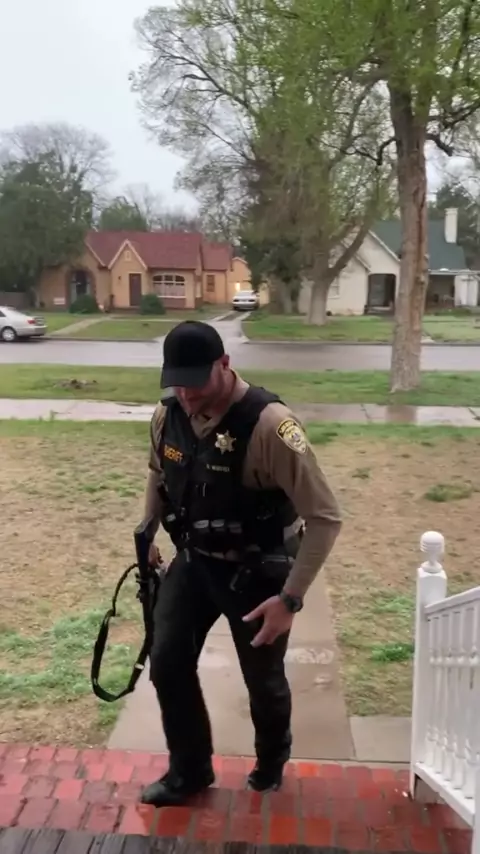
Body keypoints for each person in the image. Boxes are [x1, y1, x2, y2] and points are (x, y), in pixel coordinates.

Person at [140, 320, 342, 807]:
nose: (186, 394)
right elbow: (158, 473)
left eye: (196, 381)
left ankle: (270, 763)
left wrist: (290, 599)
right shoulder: (167, 416)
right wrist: (148, 532)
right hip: (195, 560)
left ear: (225, 365)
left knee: (263, 680)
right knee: (167, 663)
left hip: (258, 573)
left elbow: (325, 518)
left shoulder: (271, 426)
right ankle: (189, 771)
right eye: (177, 383)